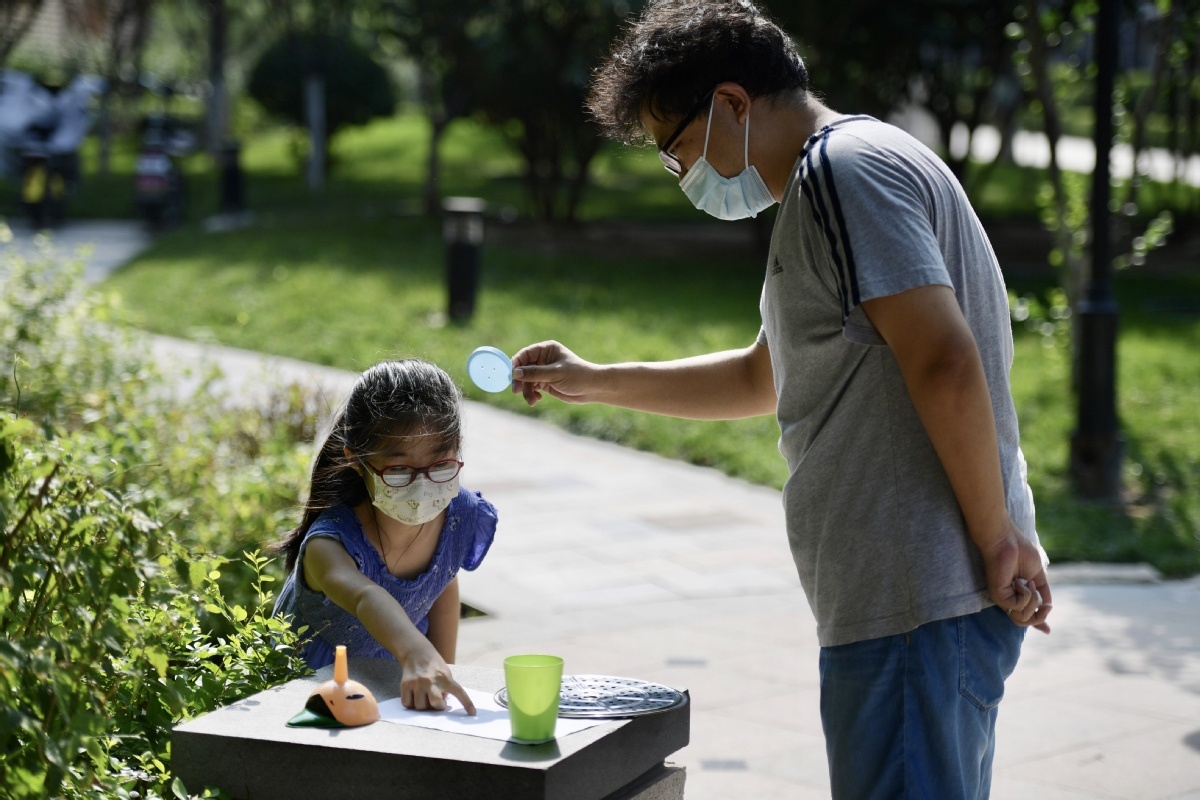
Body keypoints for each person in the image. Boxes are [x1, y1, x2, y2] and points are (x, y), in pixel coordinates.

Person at [509, 1, 1052, 796]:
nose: (682, 174)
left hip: (913, 600)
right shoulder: (837, 178)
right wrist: (593, 378)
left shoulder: (843, 172)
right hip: (908, 604)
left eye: (677, 148)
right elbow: (763, 377)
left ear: (732, 103)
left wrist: (997, 538)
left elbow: (943, 360)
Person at [273, 359, 496, 715]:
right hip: (314, 688)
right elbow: (366, 596)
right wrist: (416, 651)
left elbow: (443, 579)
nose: (422, 485)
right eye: (399, 470)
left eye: (440, 465)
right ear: (356, 460)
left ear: (458, 448)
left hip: (397, 675)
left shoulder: (458, 514)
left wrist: (441, 669)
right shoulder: (328, 545)